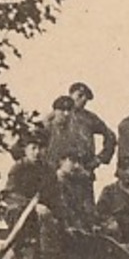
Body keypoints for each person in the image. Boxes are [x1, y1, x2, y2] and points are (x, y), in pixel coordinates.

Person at [42, 84, 116, 216]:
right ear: (70, 95)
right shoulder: (54, 116)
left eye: (86, 98)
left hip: (83, 170)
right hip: (59, 171)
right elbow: (38, 138)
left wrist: (100, 159)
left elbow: (110, 136)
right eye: (79, 96)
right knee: (60, 209)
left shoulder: (90, 118)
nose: (83, 100)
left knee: (86, 212)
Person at [2, 137, 65, 259]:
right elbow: (9, 194)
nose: (37, 152)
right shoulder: (19, 168)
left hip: (43, 211)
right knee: (17, 215)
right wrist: (32, 206)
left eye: (40, 149)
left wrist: (59, 214)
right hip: (20, 208)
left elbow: (54, 196)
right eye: (33, 148)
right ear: (25, 150)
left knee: (52, 219)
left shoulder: (48, 170)